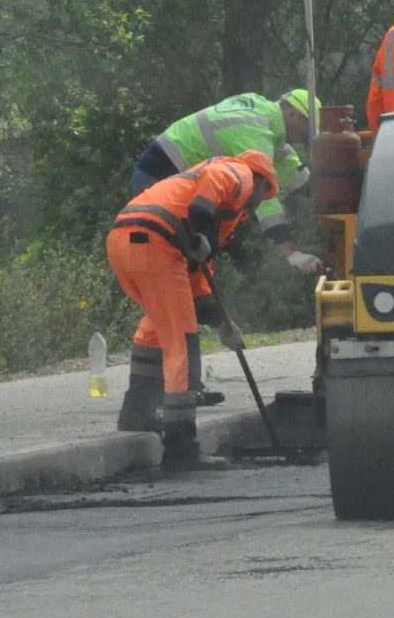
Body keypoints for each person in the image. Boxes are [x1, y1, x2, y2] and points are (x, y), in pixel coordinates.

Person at [106, 150, 278, 464]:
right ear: (261, 180)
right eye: (267, 192)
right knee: (182, 343)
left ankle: (137, 412)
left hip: (126, 240)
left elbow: (198, 279)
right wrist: (200, 230)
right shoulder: (237, 173)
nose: (262, 201)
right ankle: (180, 444)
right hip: (156, 242)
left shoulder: (218, 210)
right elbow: (210, 191)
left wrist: (223, 322)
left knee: (158, 328)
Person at [129, 90, 322, 274]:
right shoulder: (255, 131)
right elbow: (263, 195)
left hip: (160, 170)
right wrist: (291, 253)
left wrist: (310, 189)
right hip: (159, 177)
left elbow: (283, 159)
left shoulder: (260, 111)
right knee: (168, 263)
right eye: (307, 128)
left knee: (185, 264)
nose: (304, 137)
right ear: (292, 114)